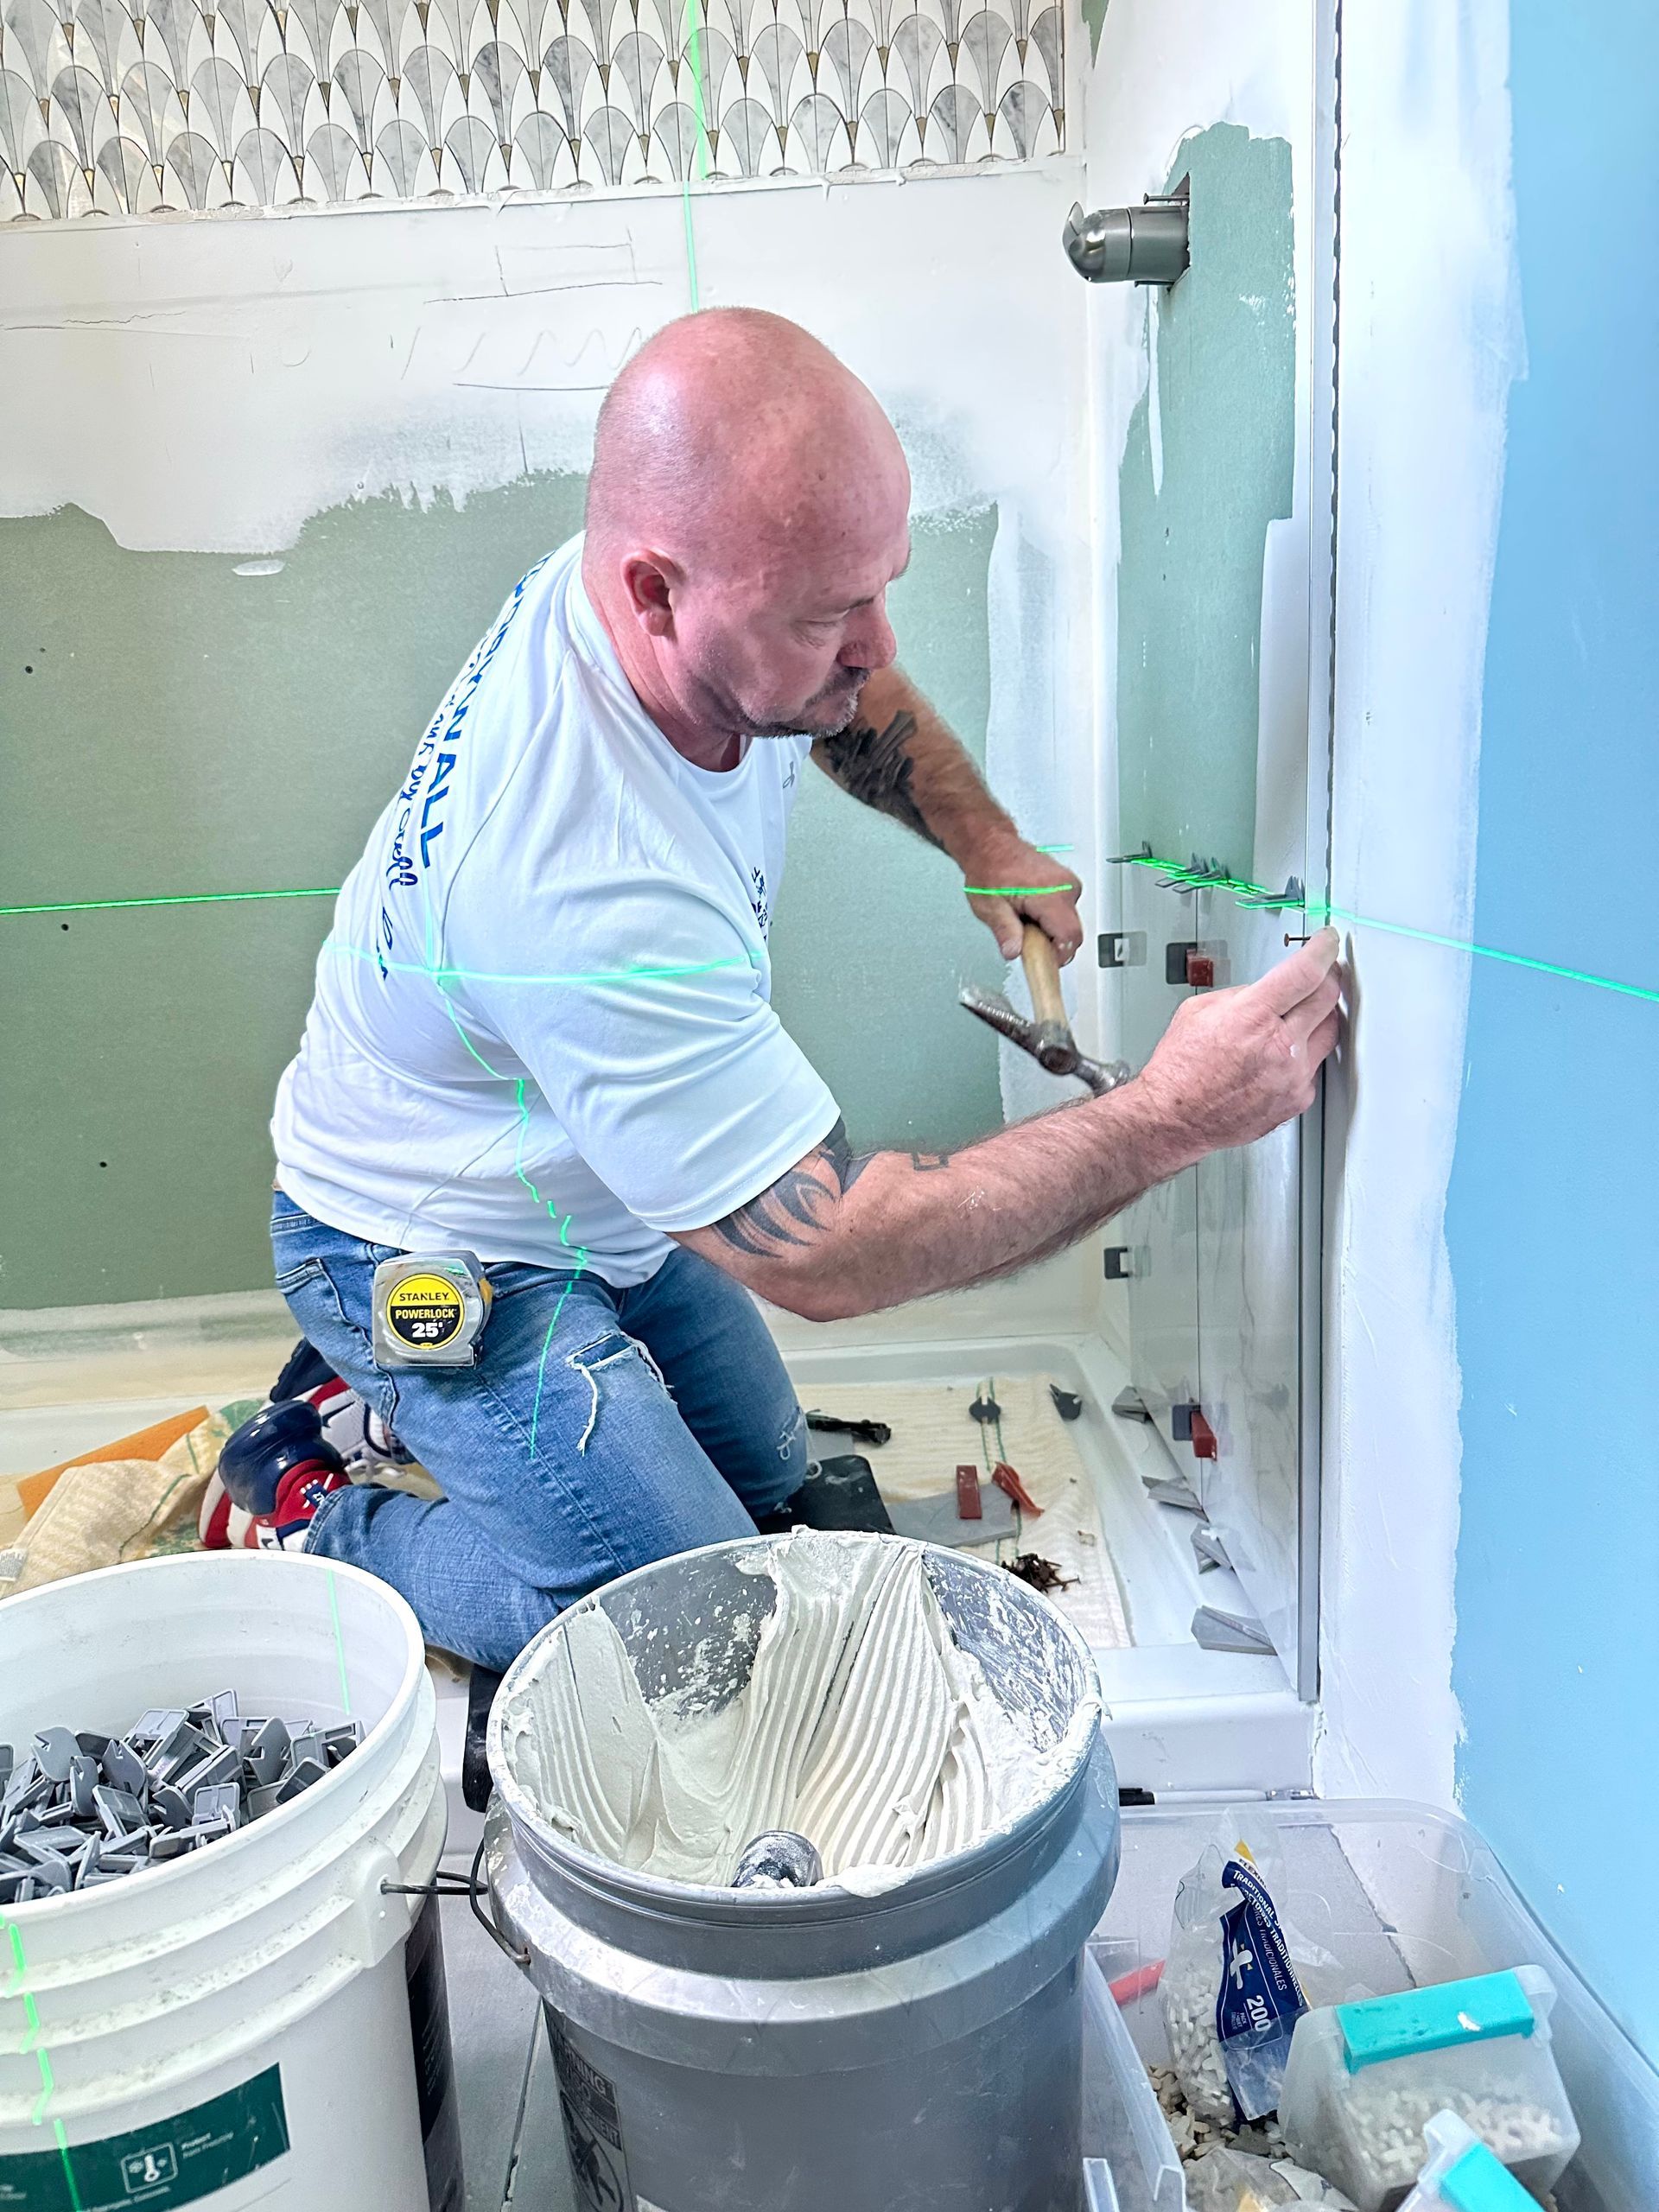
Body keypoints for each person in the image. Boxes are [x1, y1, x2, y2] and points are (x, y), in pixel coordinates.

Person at [229, 308, 1340, 1671]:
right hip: (426, 1242)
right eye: (831, 614)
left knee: (769, 1494)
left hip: (606, 1196)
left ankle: (409, 1414)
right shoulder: (576, 879)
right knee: (698, 1626)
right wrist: (1172, 1114)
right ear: (655, 592)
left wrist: (984, 844)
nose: (877, 643)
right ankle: (316, 1509)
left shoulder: (670, 601)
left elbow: (847, 699)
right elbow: (828, 1253)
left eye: (882, 586)